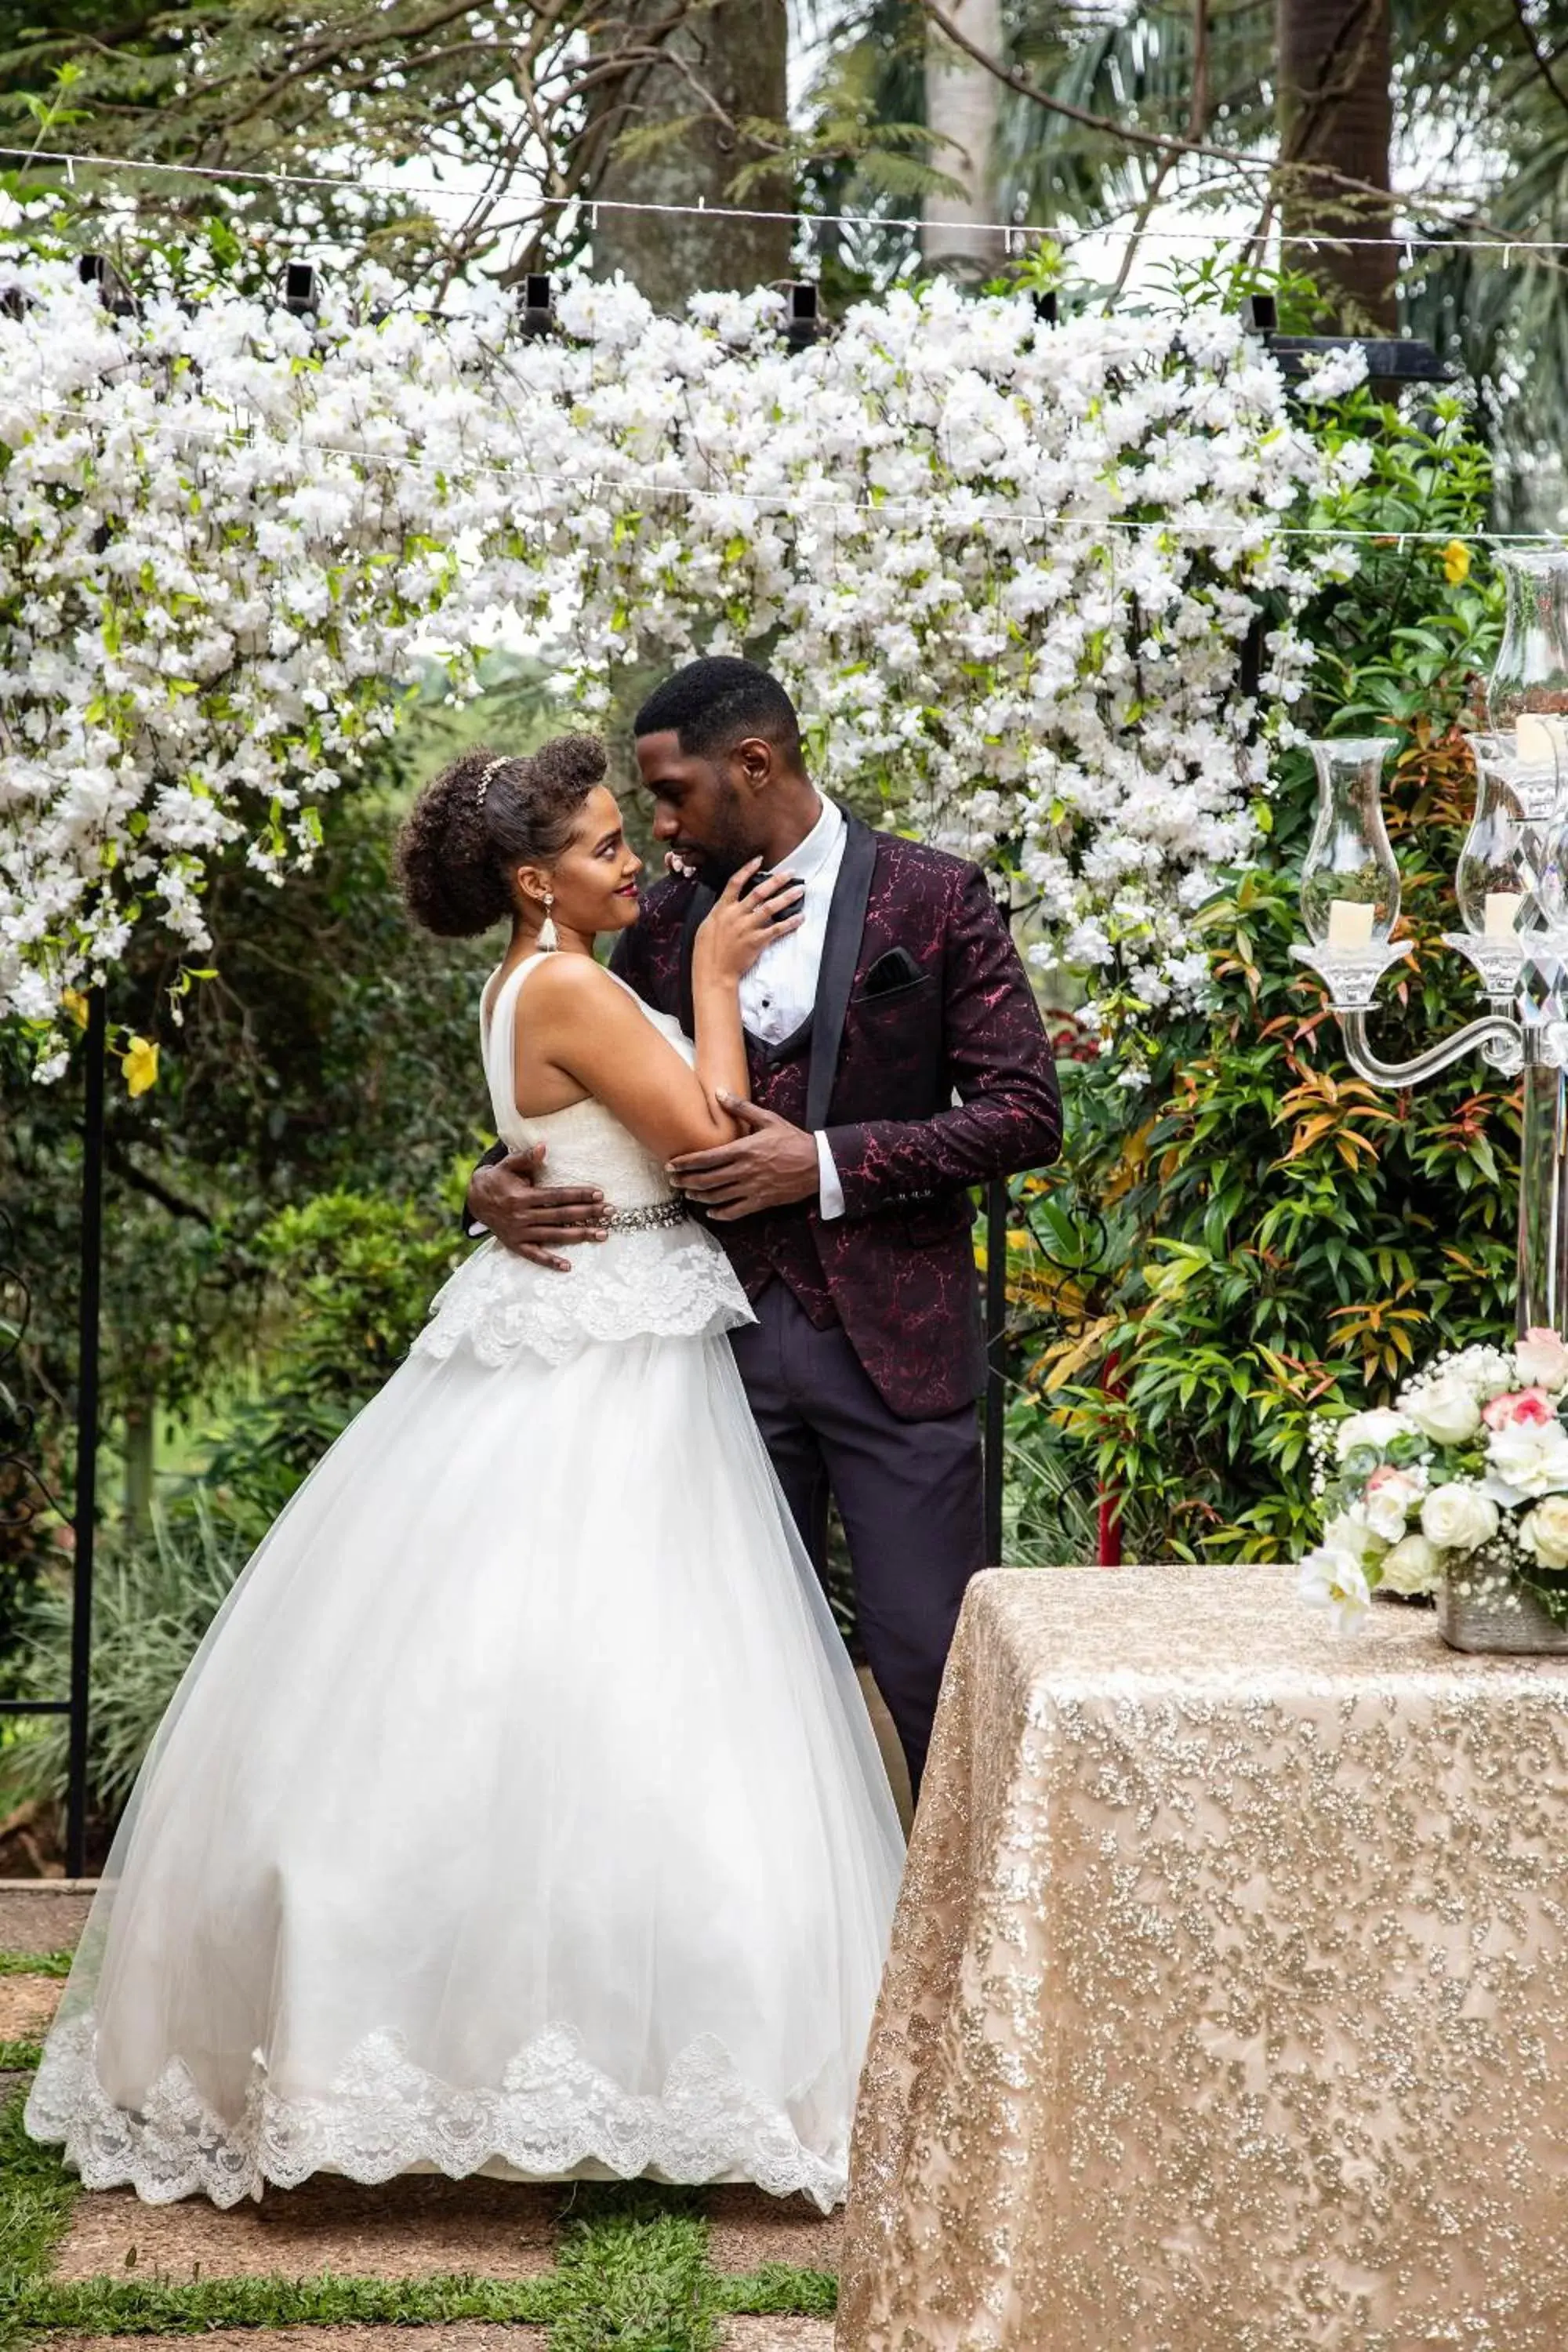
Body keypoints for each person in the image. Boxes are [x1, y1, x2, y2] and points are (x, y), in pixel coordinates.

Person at [26, 733, 904, 2213]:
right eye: (609, 846)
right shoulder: (566, 982)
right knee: (612, 1682)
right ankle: (577, 2051)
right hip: (606, 1365)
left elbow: (569, 1142)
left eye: (633, 837)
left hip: (586, 1328)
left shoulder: (522, 983)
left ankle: (538, 2039)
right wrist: (707, 987)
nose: (636, 862)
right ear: (531, 879)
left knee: (543, 1684)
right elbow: (708, 1142)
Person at [468, 659, 1062, 1795]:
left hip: (892, 1347)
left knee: (932, 1662)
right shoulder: (656, 919)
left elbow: (1026, 1113)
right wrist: (488, 1182)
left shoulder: (933, 898)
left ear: (755, 763)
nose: (657, 826)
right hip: (707, 1357)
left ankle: (980, 1945)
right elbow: (582, 1095)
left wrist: (827, 1162)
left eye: (674, 793)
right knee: (719, 1674)